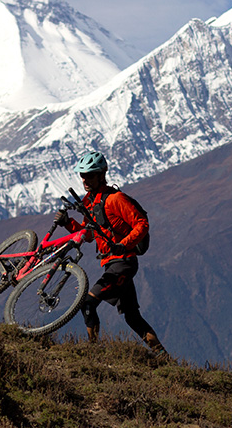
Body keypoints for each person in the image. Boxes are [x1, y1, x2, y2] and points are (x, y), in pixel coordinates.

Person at [54, 151, 167, 356]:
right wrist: (67, 223)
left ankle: (93, 352)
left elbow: (142, 224)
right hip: (112, 263)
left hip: (123, 262)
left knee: (88, 303)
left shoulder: (116, 199)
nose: (84, 179)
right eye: (82, 175)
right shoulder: (89, 201)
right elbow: (87, 235)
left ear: (101, 174)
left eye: (89, 175)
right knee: (132, 318)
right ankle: (165, 358)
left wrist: (123, 244)